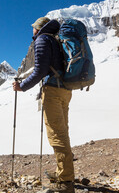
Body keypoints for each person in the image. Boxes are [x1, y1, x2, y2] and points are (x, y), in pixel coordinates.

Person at [13, 16, 74, 193]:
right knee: (63, 131)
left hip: (53, 91)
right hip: (65, 90)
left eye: (33, 28)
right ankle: (62, 172)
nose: (32, 30)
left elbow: (40, 70)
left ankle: (66, 182)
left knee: (57, 134)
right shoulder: (55, 40)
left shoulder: (42, 40)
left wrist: (21, 86)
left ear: (38, 28)